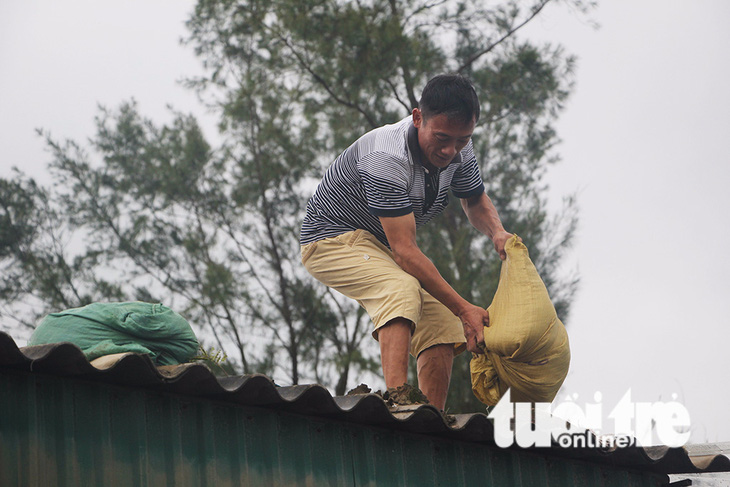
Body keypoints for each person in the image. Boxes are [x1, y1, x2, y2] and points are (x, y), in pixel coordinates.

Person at [300, 74, 513, 411]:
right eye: (442, 138)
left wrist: (497, 232)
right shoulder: (386, 156)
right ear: (417, 118)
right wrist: (466, 309)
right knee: (399, 288)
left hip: (379, 245)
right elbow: (404, 251)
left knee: (443, 320)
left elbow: (474, 200)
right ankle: (398, 402)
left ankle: (430, 418)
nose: (449, 150)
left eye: (461, 140)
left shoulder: (459, 146)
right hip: (331, 239)